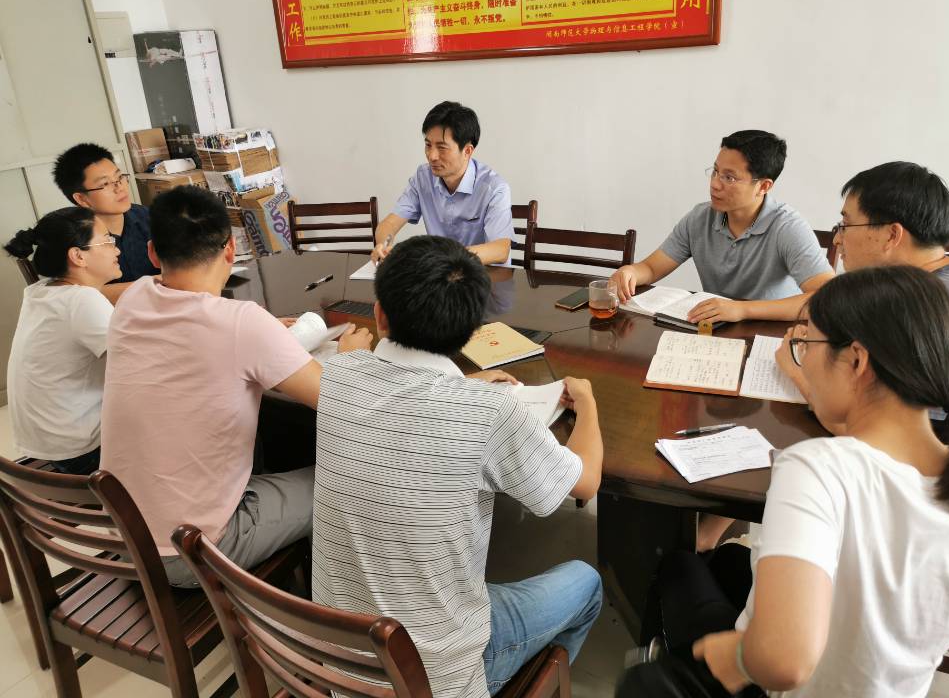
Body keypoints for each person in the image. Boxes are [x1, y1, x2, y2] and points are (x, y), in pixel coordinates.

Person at [616, 266, 949, 698]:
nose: (802, 360)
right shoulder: (945, 476)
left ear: (857, 361)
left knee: (678, 566)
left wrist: (733, 657)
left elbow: (784, 659)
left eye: (806, 344)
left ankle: (658, 658)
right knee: (726, 561)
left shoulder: (817, 468)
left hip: (770, 687)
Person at [313, 235, 604, 697]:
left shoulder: (337, 376)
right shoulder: (491, 412)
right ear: (472, 332)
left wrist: (464, 384)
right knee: (586, 583)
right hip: (437, 680)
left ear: (380, 315)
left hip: (343, 665)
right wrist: (587, 404)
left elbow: (400, 393)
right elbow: (585, 481)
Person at [99, 186, 371, 587]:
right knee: (351, 479)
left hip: (123, 534)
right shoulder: (241, 322)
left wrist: (260, 330)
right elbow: (339, 402)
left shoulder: (133, 298)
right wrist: (351, 356)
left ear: (153, 254)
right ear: (230, 250)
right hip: (189, 552)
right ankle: (312, 603)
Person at [776, 161, 949, 409]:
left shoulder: (917, 309)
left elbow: (877, 425)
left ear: (892, 235)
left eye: (845, 225)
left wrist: (796, 369)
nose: (837, 239)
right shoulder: (938, 277)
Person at [610, 130, 834, 323]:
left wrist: (742, 310)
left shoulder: (788, 227)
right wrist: (630, 272)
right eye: (716, 171)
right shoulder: (699, 218)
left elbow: (827, 299)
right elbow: (651, 268)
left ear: (763, 186)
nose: (715, 184)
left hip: (770, 334)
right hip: (715, 328)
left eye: (729, 178)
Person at [4, 207, 121, 474]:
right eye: (107, 240)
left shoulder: (40, 291)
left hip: (48, 444)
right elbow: (138, 367)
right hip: (83, 451)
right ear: (78, 256)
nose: (116, 249)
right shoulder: (81, 300)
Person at [371, 101, 515, 266]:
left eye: (442, 148)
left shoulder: (494, 188)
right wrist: (383, 245)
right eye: (428, 145)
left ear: (467, 151)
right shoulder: (422, 178)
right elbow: (390, 223)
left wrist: (444, 257)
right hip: (441, 274)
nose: (432, 156)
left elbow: (500, 249)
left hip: (484, 275)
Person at [53, 142, 160, 299]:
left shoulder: (151, 217)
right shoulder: (75, 239)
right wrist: (161, 283)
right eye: (105, 184)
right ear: (81, 198)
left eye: (119, 177)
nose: (119, 187)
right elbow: (80, 295)